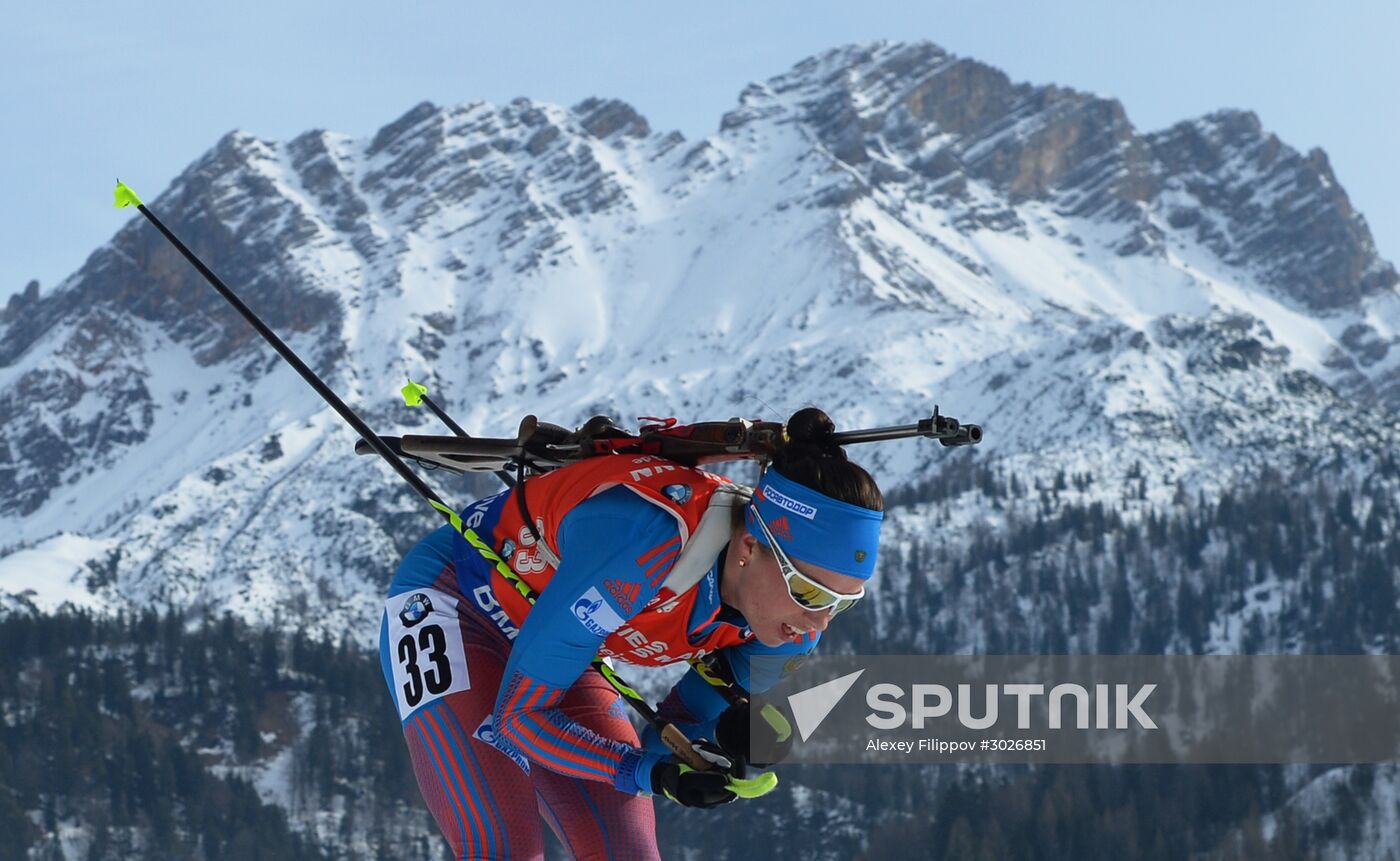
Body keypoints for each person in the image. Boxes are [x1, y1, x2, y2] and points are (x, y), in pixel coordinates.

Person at [378, 407, 884, 860]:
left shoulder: (788, 627)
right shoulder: (645, 543)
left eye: (844, 601)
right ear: (750, 545)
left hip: (561, 645)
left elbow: (676, 726)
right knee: (504, 847)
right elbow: (521, 717)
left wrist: (713, 755)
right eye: (811, 592)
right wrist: (651, 774)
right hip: (457, 605)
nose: (819, 622)